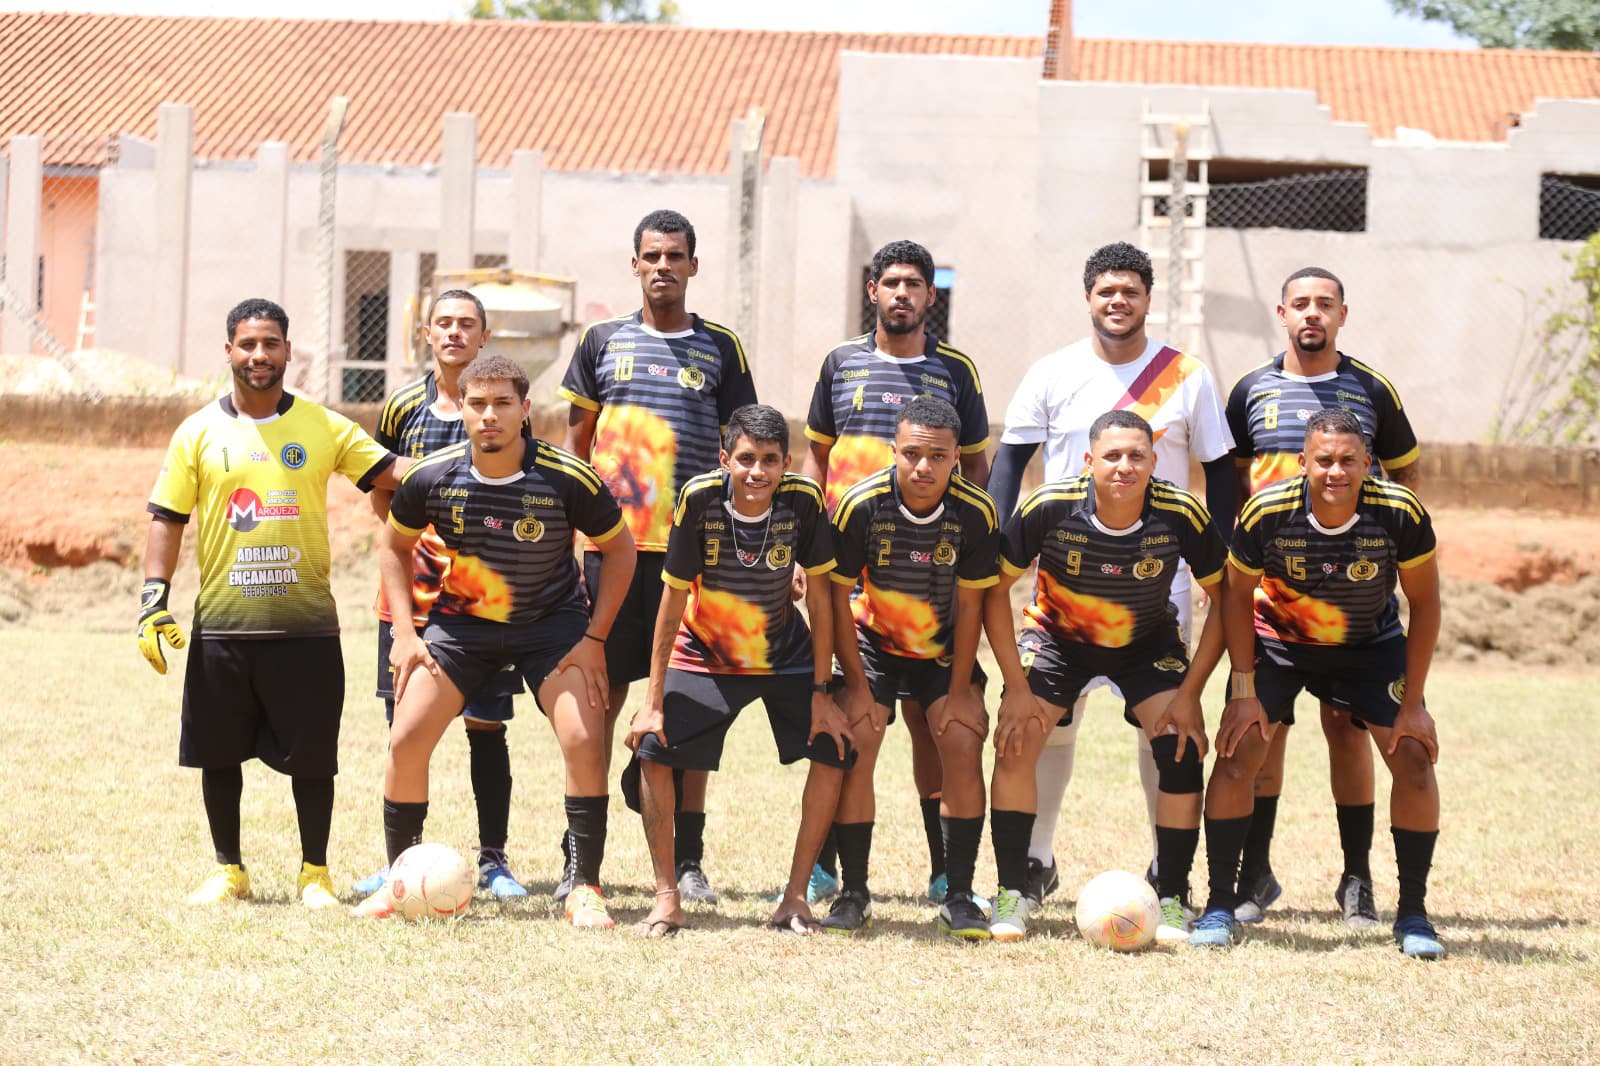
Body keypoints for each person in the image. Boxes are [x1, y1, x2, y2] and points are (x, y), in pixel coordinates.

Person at [988, 242, 1235, 907]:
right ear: (1088, 298)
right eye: (1106, 291)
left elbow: (1223, 473)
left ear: (1148, 299)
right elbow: (1009, 465)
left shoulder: (1187, 375)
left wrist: (1232, 559)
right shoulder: (1052, 372)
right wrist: (992, 539)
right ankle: (1034, 861)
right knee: (1053, 725)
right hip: (1064, 587)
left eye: (1131, 291)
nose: (1118, 301)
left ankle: (1166, 870)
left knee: (1165, 733)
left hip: (1160, 589)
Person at [354, 355, 636, 927]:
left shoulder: (566, 476)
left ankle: (584, 886)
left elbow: (622, 549)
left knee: (584, 738)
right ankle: (400, 880)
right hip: (462, 626)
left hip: (551, 624)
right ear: (462, 409)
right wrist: (405, 633)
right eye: (477, 404)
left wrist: (595, 637)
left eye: (503, 403)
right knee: (406, 738)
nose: (489, 415)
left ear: (525, 410)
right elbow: (392, 547)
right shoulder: (431, 475)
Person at [139, 298, 403, 908]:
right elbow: (166, 518)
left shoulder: (322, 425)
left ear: (289, 352)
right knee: (217, 753)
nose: (260, 355)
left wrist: (477, 464)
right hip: (224, 628)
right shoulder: (198, 431)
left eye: (271, 344)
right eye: (248, 344)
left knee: (313, 757)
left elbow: (391, 472)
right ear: (228, 350)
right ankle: (230, 869)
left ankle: (315, 873)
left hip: (305, 630)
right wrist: (154, 601)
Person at [1189, 408, 1443, 959]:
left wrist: (1415, 704)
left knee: (1414, 757)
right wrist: (1243, 689)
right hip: (1280, 643)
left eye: (1349, 460)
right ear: (1303, 462)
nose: (1336, 471)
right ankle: (1218, 905)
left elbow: (1425, 605)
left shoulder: (1399, 512)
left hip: (1368, 648)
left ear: (1368, 463)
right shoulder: (1267, 511)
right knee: (1237, 754)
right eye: (1323, 460)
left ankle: (1414, 915)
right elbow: (1234, 595)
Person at [559, 208, 756, 906]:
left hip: (693, 561)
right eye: (652, 255)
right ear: (635, 264)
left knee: (687, 705)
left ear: (694, 266)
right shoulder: (600, 342)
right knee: (598, 701)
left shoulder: (720, 348)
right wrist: (572, 533)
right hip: (610, 557)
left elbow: (743, 451)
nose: (664, 266)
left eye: (677, 255)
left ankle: (690, 860)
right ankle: (581, 864)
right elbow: (576, 445)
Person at [1223, 266, 1422, 928]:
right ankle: (1254, 875)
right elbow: (1230, 481)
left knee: (1348, 729)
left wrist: (1387, 543)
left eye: (1325, 305)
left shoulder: (1371, 388)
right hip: (1272, 602)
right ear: (1281, 313)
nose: (1313, 314)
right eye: (1301, 304)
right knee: (1263, 732)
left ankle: (1357, 879)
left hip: (1354, 603)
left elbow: (1407, 474)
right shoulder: (1252, 389)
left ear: (1343, 314)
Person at [983, 410, 1227, 942]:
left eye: (1136, 456)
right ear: (1088, 460)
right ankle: (1012, 890)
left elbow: (1227, 599)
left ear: (1154, 462)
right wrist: (1016, 687)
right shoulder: (1050, 506)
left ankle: (1173, 894)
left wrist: (1191, 694)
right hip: (1058, 640)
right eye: (1111, 456)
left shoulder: (1180, 511)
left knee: (1181, 746)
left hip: (1145, 644)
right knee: (1016, 740)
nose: (1124, 466)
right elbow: (992, 589)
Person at [800, 238, 991, 906]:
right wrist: (810, 546)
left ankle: (947, 871)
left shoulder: (956, 370)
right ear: (873, 292)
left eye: (916, 283)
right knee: (856, 717)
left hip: (932, 576)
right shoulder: (841, 363)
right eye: (892, 283)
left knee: (931, 725)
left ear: (930, 296)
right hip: (851, 566)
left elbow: (976, 467)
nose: (903, 294)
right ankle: (834, 866)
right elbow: (816, 459)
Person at [626, 404, 853, 936]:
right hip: (706, 652)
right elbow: (671, 600)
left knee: (835, 747)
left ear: (786, 462)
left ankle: (796, 898)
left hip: (784, 654)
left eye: (770, 460)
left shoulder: (803, 501)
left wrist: (823, 690)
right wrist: (653, 698)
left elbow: (820, 601)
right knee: (652, 749)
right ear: (725, 458)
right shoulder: (699, 500)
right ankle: (666, 898)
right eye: (746, 458)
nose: (758, 472)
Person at [354, 288, 530, 901]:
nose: (454, 333)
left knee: (488, 725)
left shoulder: (503, 404)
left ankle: (494, 859)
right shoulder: (403, 405)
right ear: (426, 334)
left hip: (483, 599)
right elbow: (381, 486)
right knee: (405, 728)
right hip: (412, 597)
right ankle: (400, 862)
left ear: (484, 336)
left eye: (467, 325)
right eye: (443, 324)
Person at [821, 397, 1000, 940]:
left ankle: (961, 893)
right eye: (913, 454)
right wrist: (854, 683)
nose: (924, 467)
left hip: (943, 652)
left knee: (964, 741)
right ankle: (853, 892)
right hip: (872, 647)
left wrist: (963, 688)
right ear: (893, 451)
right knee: (856, 744)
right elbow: (835, 599)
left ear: (955, 459)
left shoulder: (976, 512)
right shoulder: (860, 504)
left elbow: (971, 607)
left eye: (938, 457)